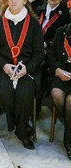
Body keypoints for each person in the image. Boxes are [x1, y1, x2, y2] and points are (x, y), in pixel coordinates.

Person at [0, 0, 44, 150]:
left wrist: (27, 68)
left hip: (27, 68)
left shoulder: (33, 24)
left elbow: (39, 53)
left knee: (24, 93)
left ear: (25, 0)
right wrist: (4, 65)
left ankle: (21, 130)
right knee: (4, 92)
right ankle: (21, 126)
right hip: (2, 68)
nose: (14, 0)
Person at [46, 24, 71, 160]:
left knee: (70, 102)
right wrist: (57, 70)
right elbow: (50, 56)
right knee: (56, 93)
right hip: (61, 73)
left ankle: (68, 141)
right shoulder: (61, 31)